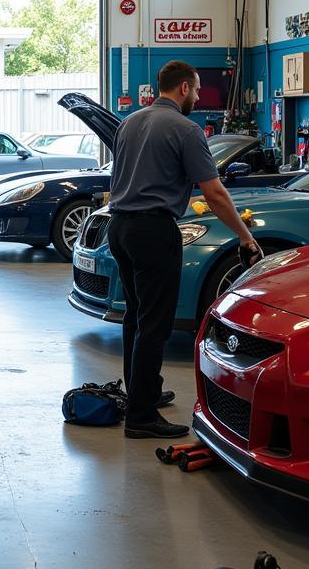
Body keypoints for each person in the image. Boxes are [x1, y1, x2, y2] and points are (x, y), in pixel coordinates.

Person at [108, 60, 261, 440]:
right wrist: (245, 237)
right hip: (153, 231)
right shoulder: (186, 129)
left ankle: (142, 393)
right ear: (182, 89)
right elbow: (214, 192)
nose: (196, 97)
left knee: (136, 316)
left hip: (120, 227)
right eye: (195, 90)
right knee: (155, 324)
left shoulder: (129, 122)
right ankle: (141, 417)